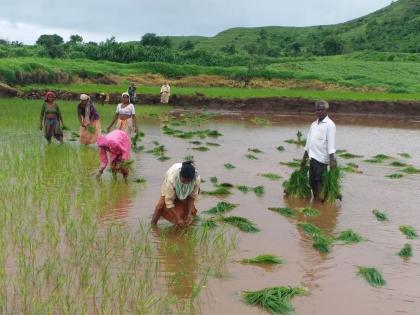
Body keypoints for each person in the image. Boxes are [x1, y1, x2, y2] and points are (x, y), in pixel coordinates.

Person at [301, 100, 336, 200]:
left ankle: (322, 200)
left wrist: (332, 160)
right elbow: (308, 143)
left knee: (320, 181)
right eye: (317, 110)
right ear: (315, 111)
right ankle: (316, 200)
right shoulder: (313, 124)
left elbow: (331, 144)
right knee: (312, 182)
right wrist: (304, 158)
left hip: (322, 159)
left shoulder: (330, 125)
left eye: (322, 110)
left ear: (326, 111)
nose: (320, 112)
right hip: (312, 158)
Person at [151, 161, 201, 226]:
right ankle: (153, 225)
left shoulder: (196, 179)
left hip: (189, 187)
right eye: (184, 180)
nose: (186, 183)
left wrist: (189, 214)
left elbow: (192, 197)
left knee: (186, 207)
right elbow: (168, 202)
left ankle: (184, 225)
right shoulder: (171, 179)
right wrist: (178, 218)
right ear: (180, 175)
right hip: (171, 184)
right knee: (161, 205)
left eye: (188, 181)